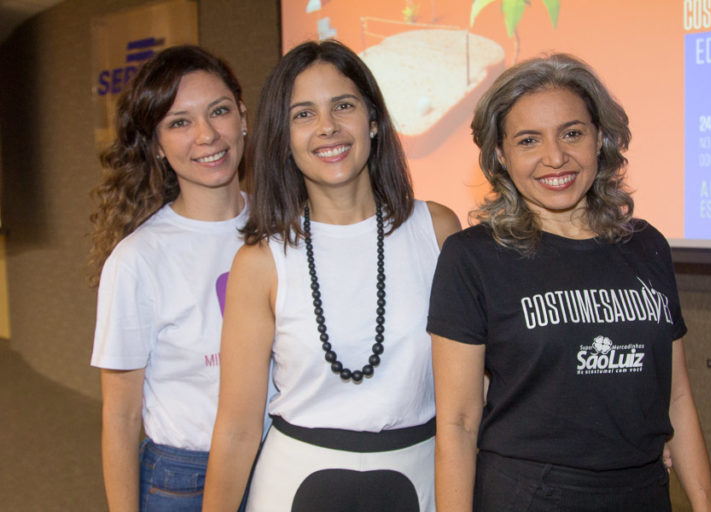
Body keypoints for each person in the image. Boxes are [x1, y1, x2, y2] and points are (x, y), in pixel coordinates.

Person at [428, 53, 711, 511]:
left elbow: (677, 397)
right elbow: (459, 425)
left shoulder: (647, 247)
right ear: (501, 155)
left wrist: (706, 506)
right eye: (528, 140)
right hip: (528, 496)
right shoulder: (473, 258)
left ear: (599, 137)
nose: (555, 157)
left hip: (642, 493)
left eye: (572, 133)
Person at [203, 40, 460, 512]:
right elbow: (238, 428)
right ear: (283, 137)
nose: (327, 127)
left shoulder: (439, 231)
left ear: (374, 121)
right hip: (292, 482)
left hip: (422, 479)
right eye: (303, 114)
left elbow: (470, 395)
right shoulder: (260, 261)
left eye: (343, 106)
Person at [89, 45, 253, 511]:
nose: (207, 135)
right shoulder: (138, 260)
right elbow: (120, 416)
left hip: (284, 462)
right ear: (157, 145)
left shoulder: (287, 228)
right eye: (179, 122)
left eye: (218, 111)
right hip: (186, 480)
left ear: (242, 116)